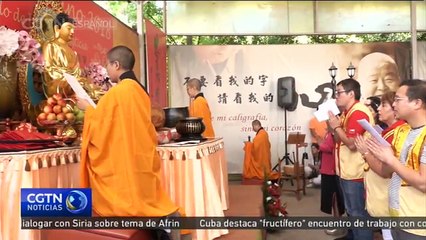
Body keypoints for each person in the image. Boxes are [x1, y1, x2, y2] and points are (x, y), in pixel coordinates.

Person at [77, 46, 184, 239]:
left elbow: (101, 124)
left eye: (108, 65)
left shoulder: (119, 92)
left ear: (116, 65)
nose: (107, 69)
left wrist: (87, 109)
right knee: (145, 196)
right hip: (140, 154)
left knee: (129, 201)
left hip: (125, 157)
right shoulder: (140, 90)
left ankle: (160, 224)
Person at [364, 80, 426, 239]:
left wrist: (390, 160)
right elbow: (386, 172)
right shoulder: (402, 131)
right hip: (395, 215)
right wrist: (375, 155)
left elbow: (423, 183)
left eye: (398, 100)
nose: (394, 105)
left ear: (417, 103)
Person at [327, 78, 374, 240]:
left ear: (351, 93)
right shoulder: (347, 113)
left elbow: (352, 144)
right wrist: (334, 128)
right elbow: (338, 140)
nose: (336, 97)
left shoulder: (358, 112)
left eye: (339, 92)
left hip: (356, 173)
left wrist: (337, 127)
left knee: (358, 214)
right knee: (351, 212)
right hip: (347, 171)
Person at [355, 91, 405, 240]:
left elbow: (385, 171)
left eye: (384, 105)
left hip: (389, 196)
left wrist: (366, 152)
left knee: (390, 233)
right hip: (385, 195)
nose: (378, 109)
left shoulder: (399, 133)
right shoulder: (391, 131)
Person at [42, 13, 96, 99]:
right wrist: (69, 79)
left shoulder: (73, 52)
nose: (72, 32)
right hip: (58, 83)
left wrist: (79, 80)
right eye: (69, 28)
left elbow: (77, 73)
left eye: (73, 29)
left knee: (95, 89)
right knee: (78, 87)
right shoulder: (50, 45)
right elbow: (49, 69)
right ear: (57, 29)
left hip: (74, 83)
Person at [320, 126, 346, 237]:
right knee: (331, 199)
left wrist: (320, 144)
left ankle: (338, 225)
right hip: (326, 168)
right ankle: (337, 222)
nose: (326, 123)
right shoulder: (329, 133)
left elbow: (330, 147)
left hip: (331, 169)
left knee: (334, 199)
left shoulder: (334, 134)